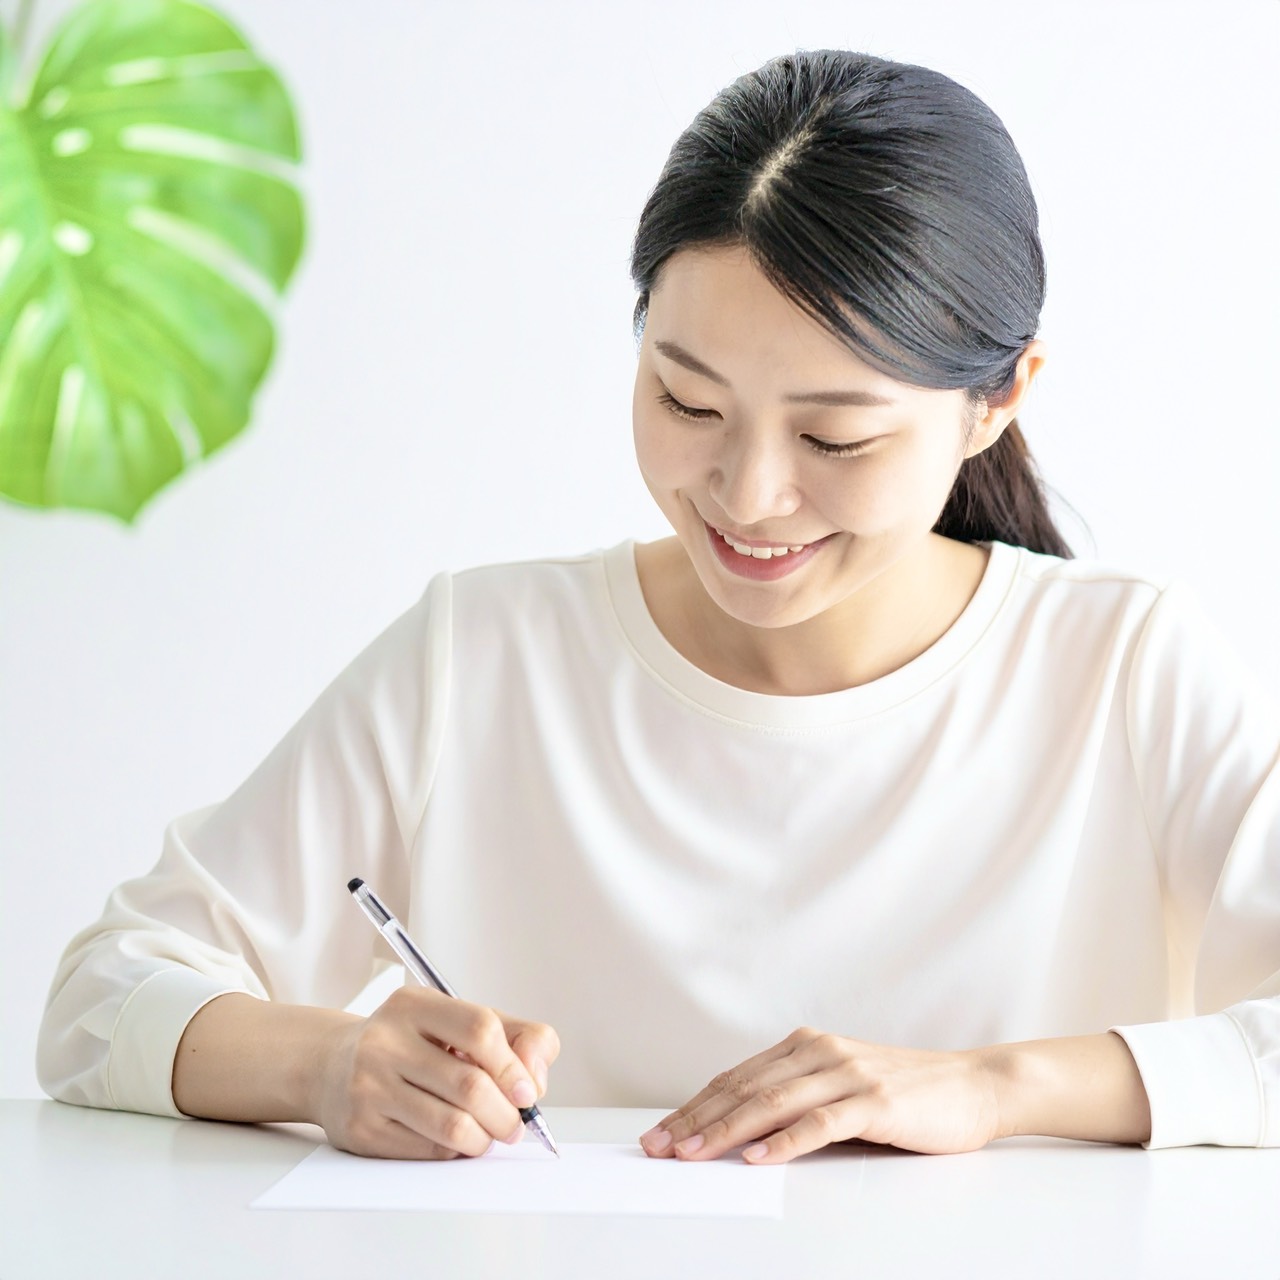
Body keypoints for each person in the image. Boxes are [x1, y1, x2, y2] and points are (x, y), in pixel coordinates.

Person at [37, 49, 1279, 1164]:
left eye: (835, 436)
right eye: (688, 403)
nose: (746, 493)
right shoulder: (486, 655)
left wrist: (991, 1087)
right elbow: (102, 996)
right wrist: (326, 1062)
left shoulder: (1123, 664)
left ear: (996, 399)